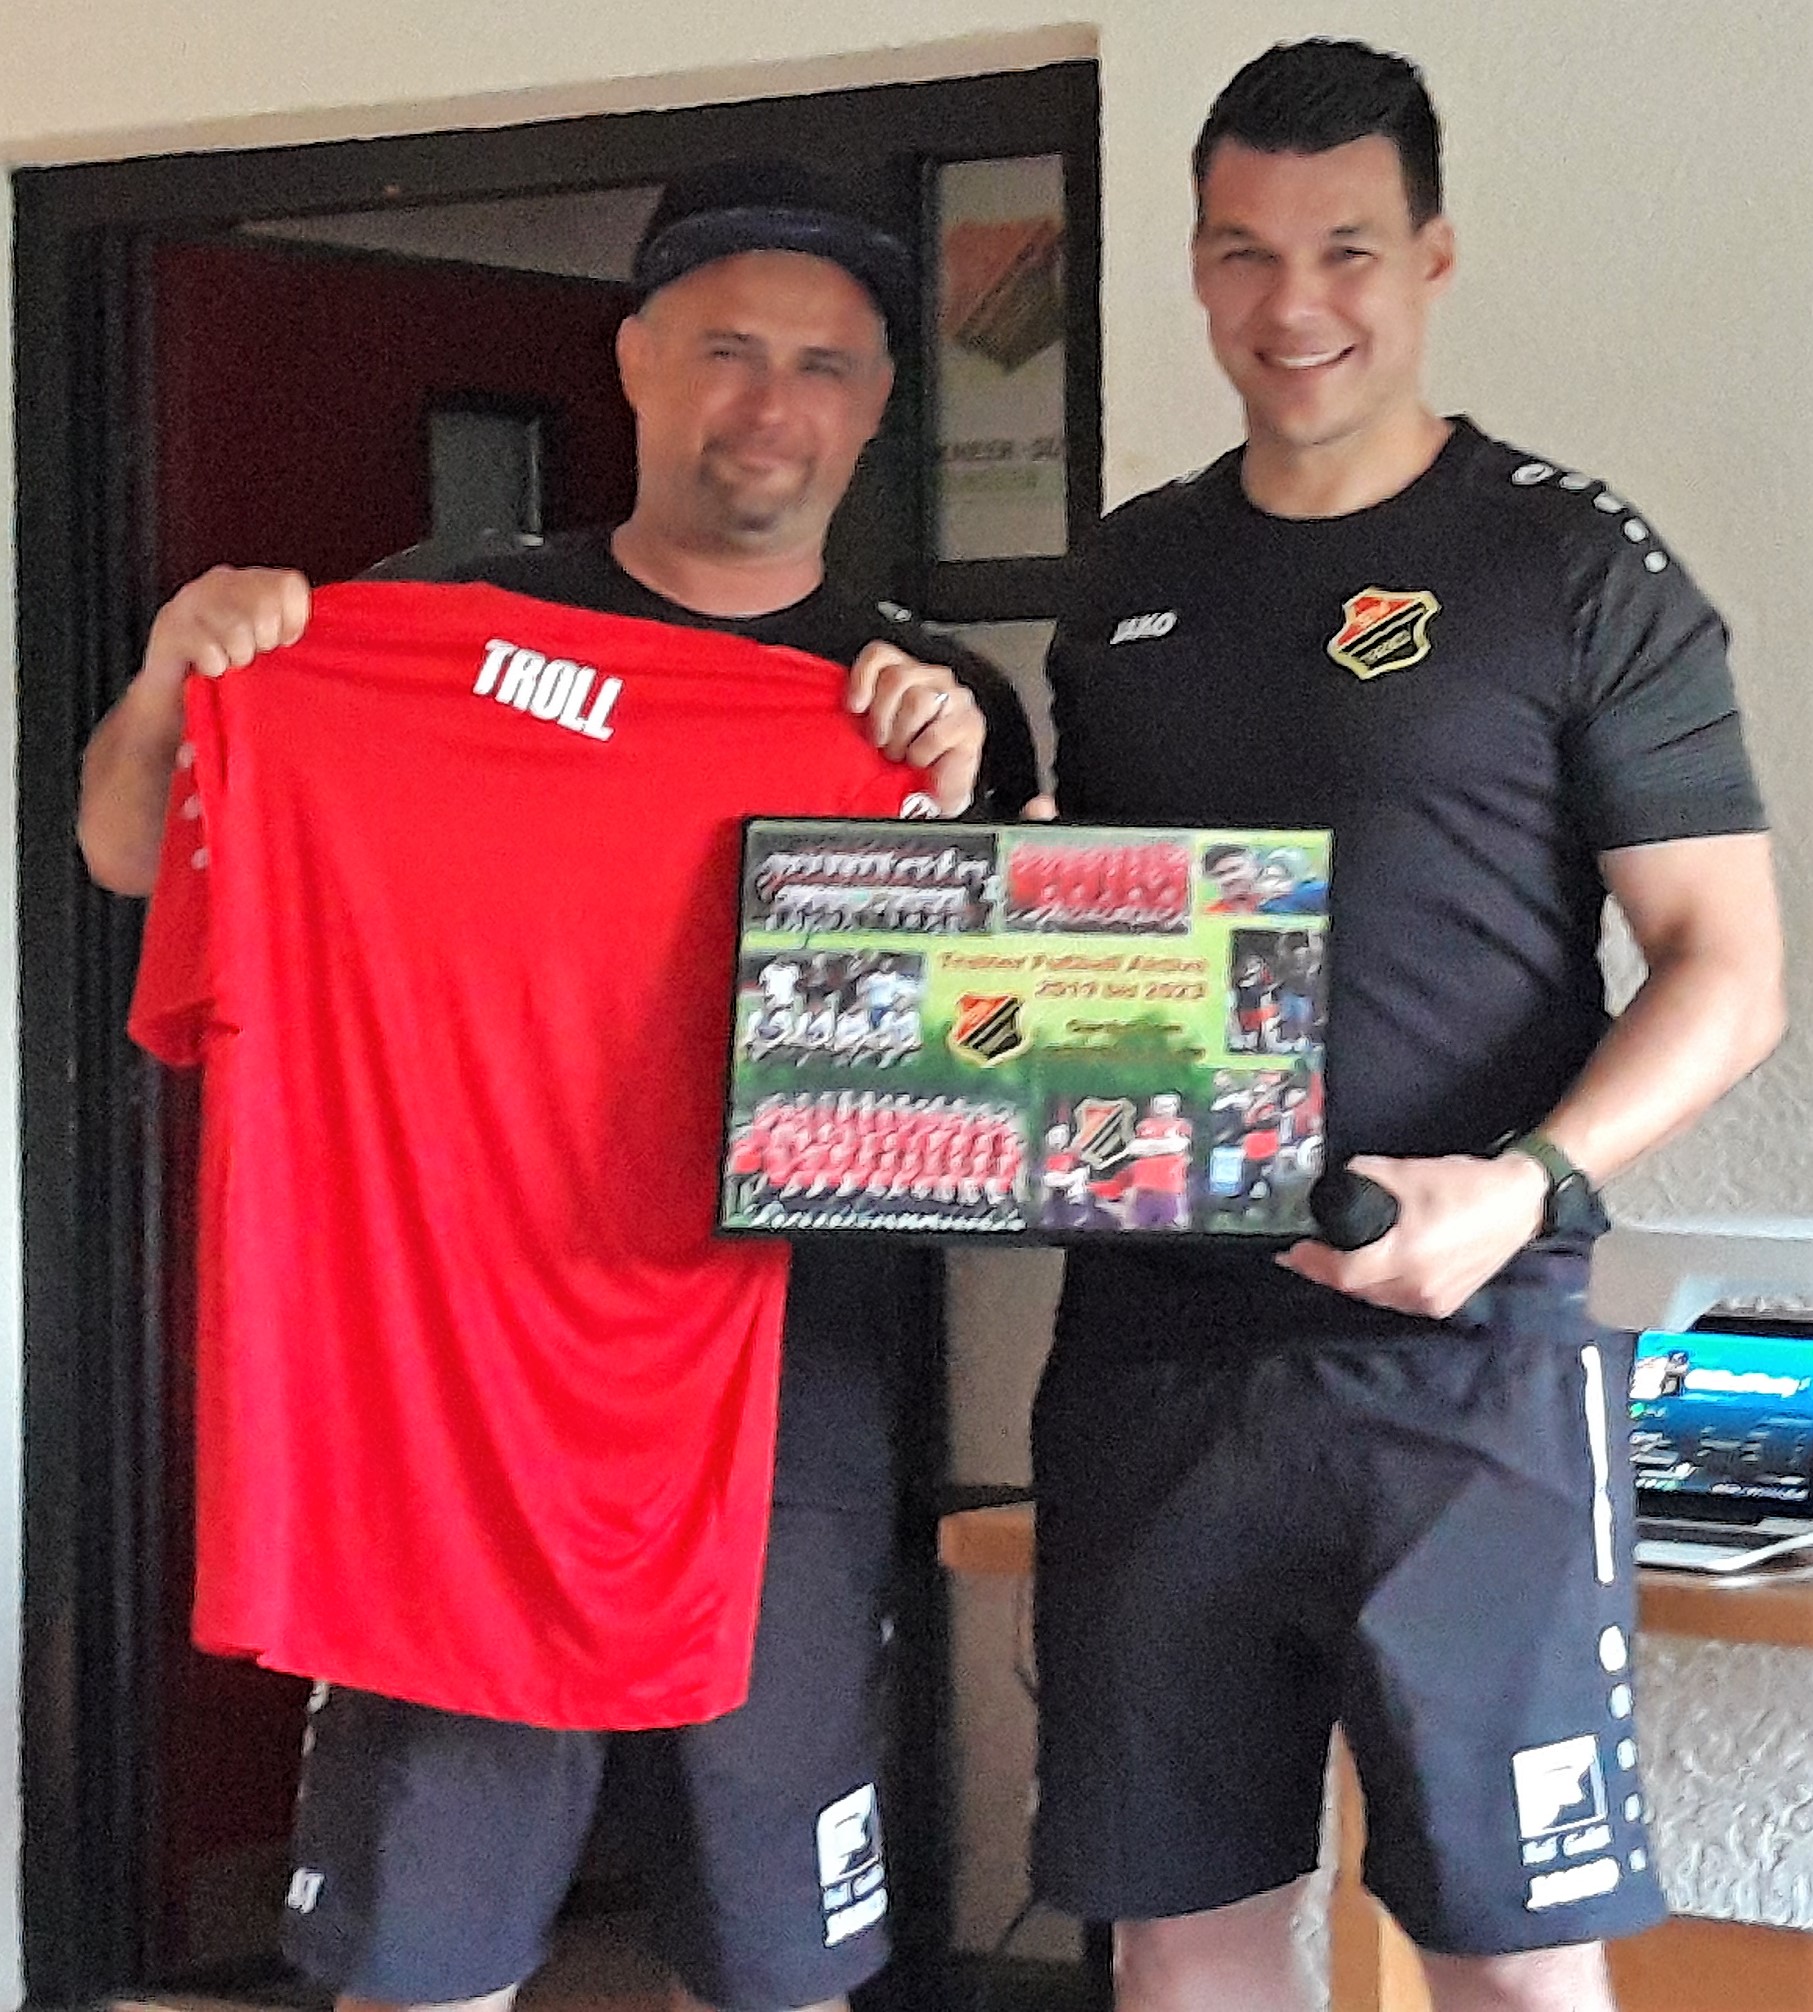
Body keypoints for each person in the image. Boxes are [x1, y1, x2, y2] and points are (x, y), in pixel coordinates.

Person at [79, 160, 1038, 2012]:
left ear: (874, 406)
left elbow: (999, 1086)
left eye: (822, 365)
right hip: (459, 1396)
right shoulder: (427, 622)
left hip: (781, 1395)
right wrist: (174, 677)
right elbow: (136, 853)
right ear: (636, 361)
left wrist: (955, 813)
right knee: (421, 1953)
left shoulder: (916, 694)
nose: (770, 404)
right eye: (727, 350)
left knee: (776, 1964)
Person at [1031, 40, 1783, 2012]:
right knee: (1182, 1946)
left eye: (1345, 249)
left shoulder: (1568, 562)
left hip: (1467, 1365)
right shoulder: (1125, 575)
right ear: (1196, 267)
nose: (1292, 304)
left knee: (1509, 1958)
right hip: (1153, 1356)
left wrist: (1525, 1187)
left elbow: (1725, 966)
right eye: (1243, 251)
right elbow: (1097, 935)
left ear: (1432, 255)